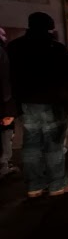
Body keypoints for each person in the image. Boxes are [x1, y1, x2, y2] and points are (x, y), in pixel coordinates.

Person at [6, 12, 68, 197]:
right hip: (52, 101)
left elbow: (10, 76)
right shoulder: (55, 48)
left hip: (27, 101)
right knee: (54, 145)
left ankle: (34, 185)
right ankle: (58, 184)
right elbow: (65, 77)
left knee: (31, 144)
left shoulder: (15, 47)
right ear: (49, 27)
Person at [0, 27, 17, 179]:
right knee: (6, 134)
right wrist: (9, 108)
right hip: (3, 103)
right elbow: (5, 80)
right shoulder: (2, 53)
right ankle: (4, 165)